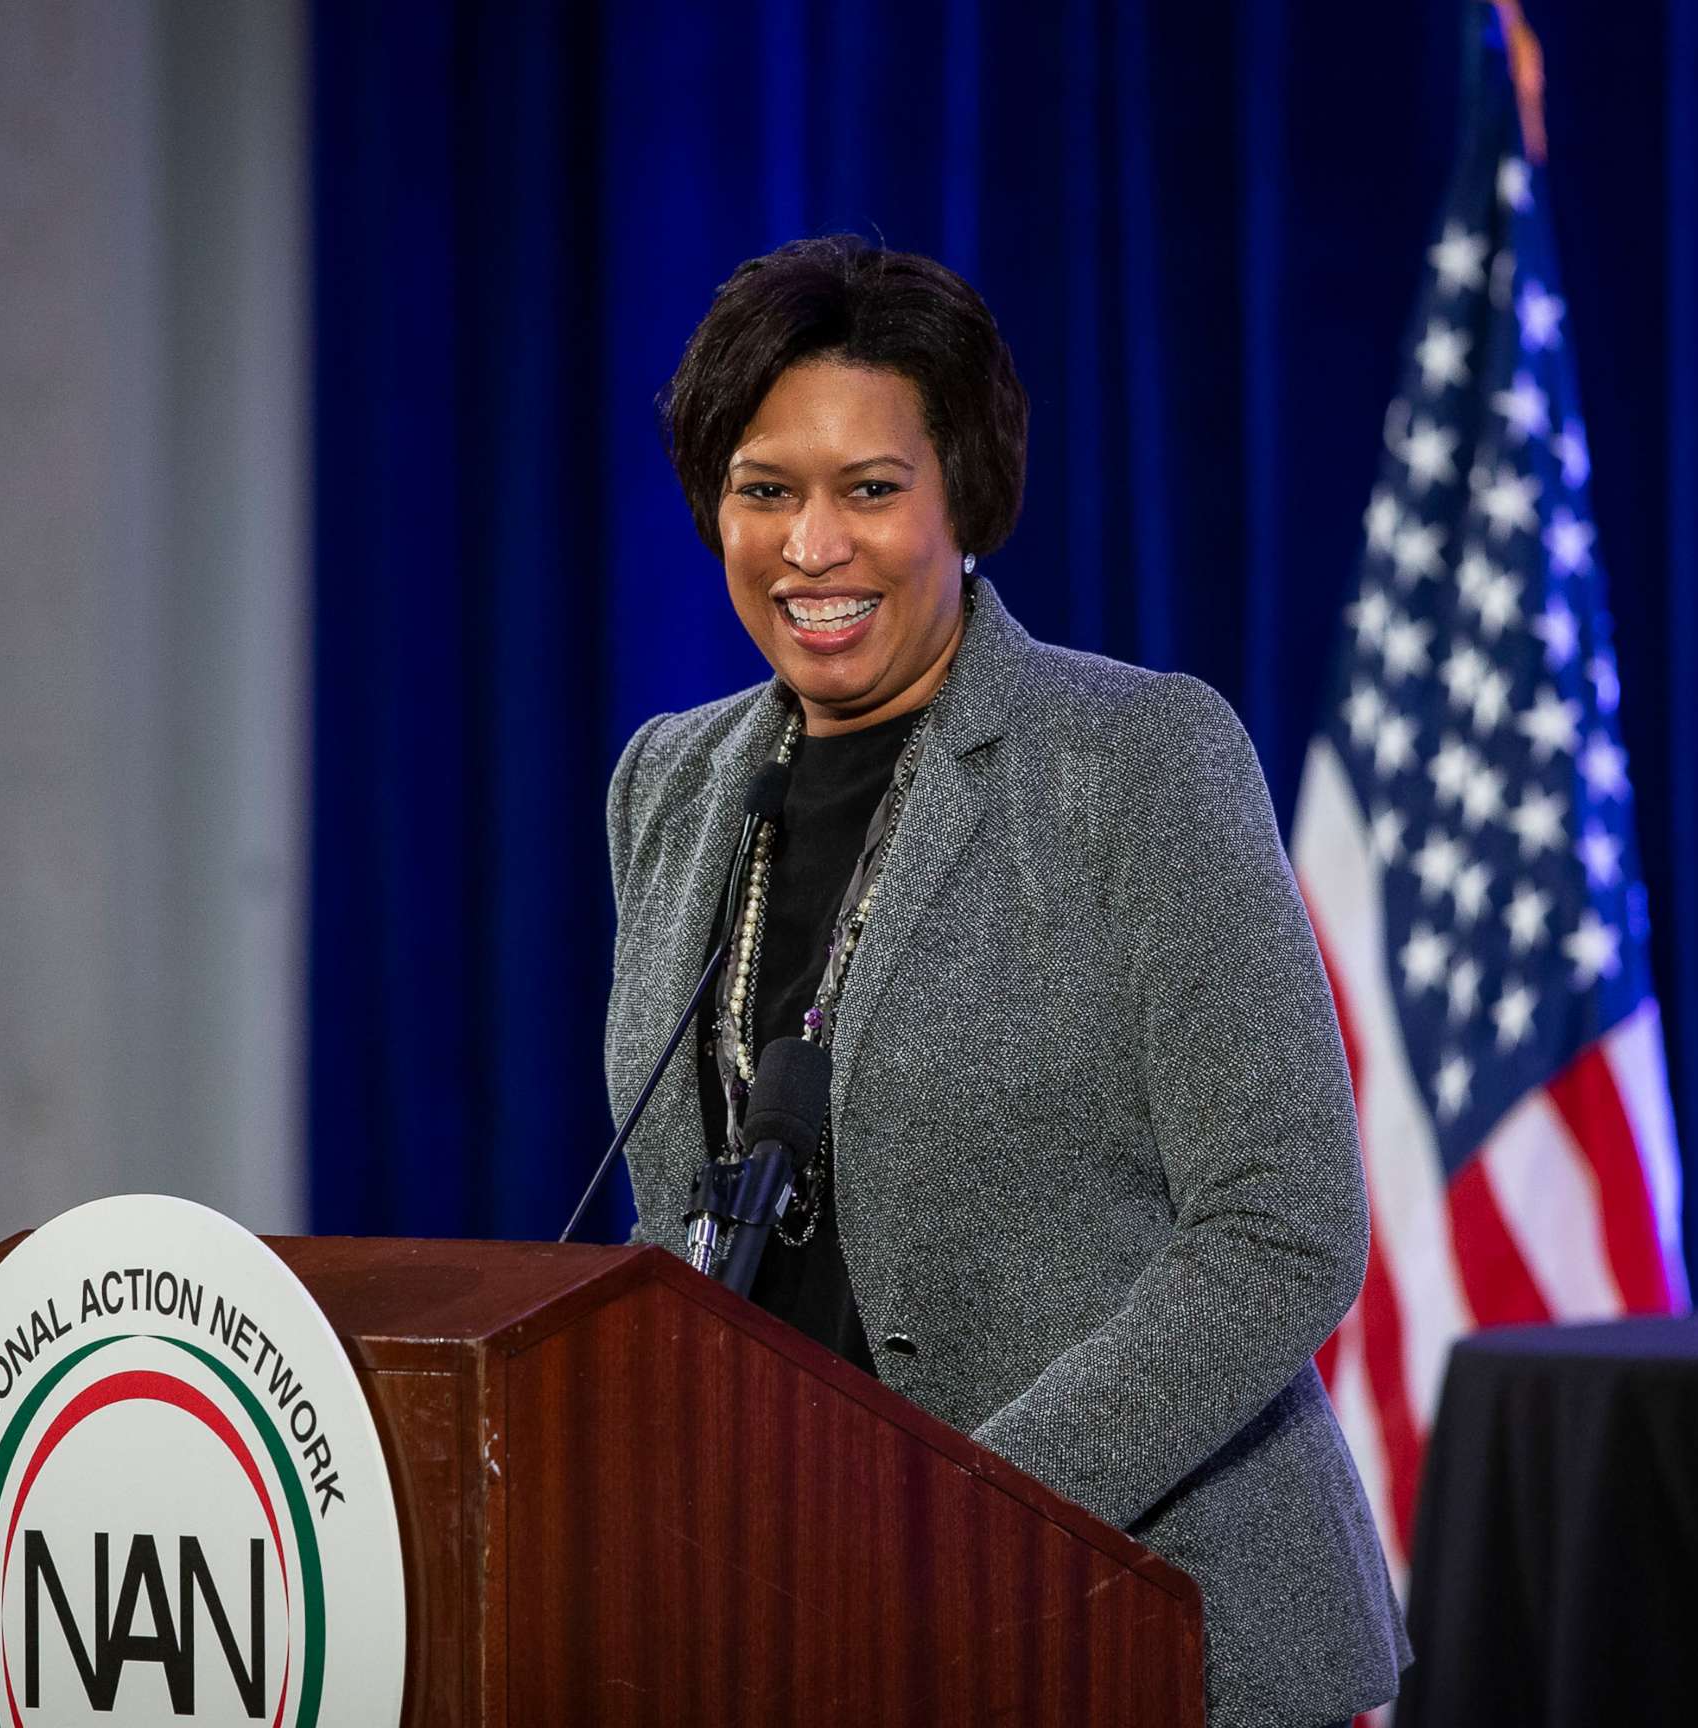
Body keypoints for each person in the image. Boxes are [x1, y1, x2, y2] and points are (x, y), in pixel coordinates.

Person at [604, 236, 1409, 1727]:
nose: (811, 547)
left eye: (871, 488)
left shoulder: (1137, 758)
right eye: (765, 489)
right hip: (794, 1625)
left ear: (964, 499)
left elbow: (1283, 1229)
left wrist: (962, 1521)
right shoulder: (670, 782)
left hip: (1142, 1623)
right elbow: (682, 1211)